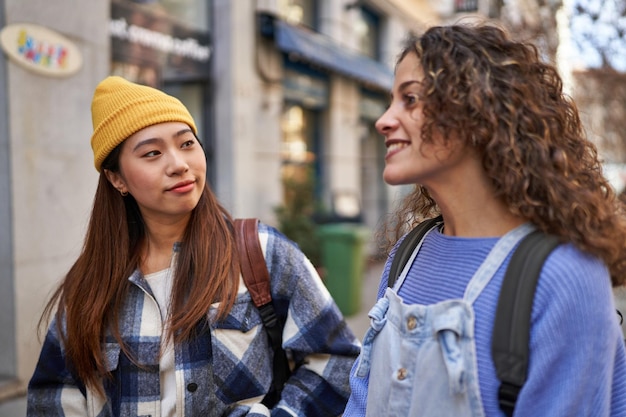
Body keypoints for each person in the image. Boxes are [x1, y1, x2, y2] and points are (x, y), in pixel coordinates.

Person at [27, 76, 360, 417]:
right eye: (152, 153)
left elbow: (338, 361)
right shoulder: (90, 283)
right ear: (117, 179)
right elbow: (54, 396)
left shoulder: (261, 253)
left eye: (187, 144)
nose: (179, 164)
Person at [343, 22, 626, 417]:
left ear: (476, 111)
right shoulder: (406, 257)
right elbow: (361, 400)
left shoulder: (565, 276)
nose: (384, 120)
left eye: (410, 99)